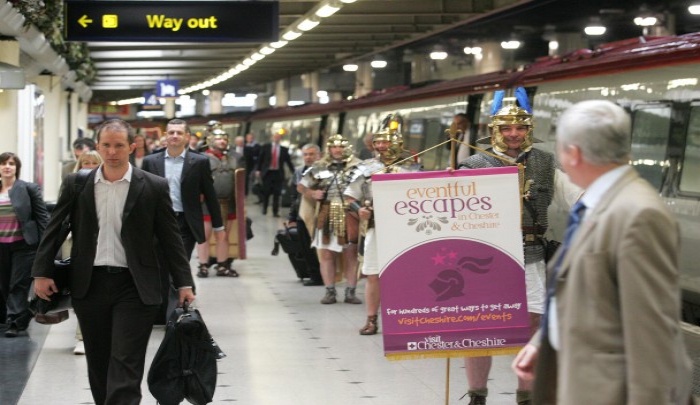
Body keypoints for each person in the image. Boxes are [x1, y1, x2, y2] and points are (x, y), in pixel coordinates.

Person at [512, 100, 692, 405]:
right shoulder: (599, 203)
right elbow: (583, 290)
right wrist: (543, 341)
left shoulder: (638, 215)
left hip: (611, 390)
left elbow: (653, 332)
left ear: (574, 153)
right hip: (582, 379)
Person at [32, 119, 196, 405]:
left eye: (119, 145)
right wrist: (41, 272)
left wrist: (184, 283)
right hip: (89, 283)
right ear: (97, 147)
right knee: (98, 362)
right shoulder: (77, 183)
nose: (112, 152)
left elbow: (171, 239)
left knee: (126, 363)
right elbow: (55, 228)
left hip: (135, 286)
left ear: (131, 147)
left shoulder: (153, 187)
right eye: (106, 145)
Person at [457, 92, 579, 405]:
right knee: (479, 325)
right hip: (485, 258)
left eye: (520, 128)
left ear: (529, 129)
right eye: (507, 127)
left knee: (533, 325)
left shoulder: (544, 162)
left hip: (531, 254)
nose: (514, 133)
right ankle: (477, 395)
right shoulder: (472, 165)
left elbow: (578, 198)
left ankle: (527, 395)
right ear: (494, 128)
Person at [345, 115, 421, 335]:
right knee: (373, 274)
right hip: (376, 227)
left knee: (406, 273)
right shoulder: (365, 168)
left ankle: (408, 318)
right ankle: (372, 319)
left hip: (407, 228)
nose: (381, 146)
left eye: (386, 142)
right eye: (378, 142)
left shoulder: (412, 166)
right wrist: (359, 209)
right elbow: (350, 197)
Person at [142, 119, 226, 316]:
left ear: (187, 137)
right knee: (160, 266)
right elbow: (142, 194)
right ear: (165, 136)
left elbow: (210, 195)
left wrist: (218, 226)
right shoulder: (150, 161)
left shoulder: (199, 162)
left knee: (177, 265)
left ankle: (174, 314)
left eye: (179, 133)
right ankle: (162, 310)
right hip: (157, 222)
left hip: (185, 222)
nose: (174, 136)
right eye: (171, 132)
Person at [299, 135, 363, 304]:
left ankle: (350, 291)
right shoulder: (319, 167)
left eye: (340, 147)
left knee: (351, 254)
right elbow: (302, 186)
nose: (337, 150)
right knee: (327, 254)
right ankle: (330, 291)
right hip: (326, 214)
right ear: (329, 149)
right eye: (334, 147)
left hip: (351, 214)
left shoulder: (358, 166)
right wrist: (312, 193)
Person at [0, 152, 49, 337]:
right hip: (1, 246)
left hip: (24, 245)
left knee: (17, 284)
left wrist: (47, 247)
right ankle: (21, 314)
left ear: (16, 168)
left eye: (11, 163)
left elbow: (42, 217)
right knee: (4, 284)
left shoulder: (28, 188)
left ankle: (14, 322)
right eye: (3, 163)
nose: (7, 167)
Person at [196, 129, 243, 278]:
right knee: (204, 236)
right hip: (207, 204)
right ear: (211, 141)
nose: (222, 141)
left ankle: (222, 265)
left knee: (224, 236)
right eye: (218, 139)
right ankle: (203, 265)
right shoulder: (201, 159)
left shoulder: (233, 159)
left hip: (228, 203)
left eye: (224, 138)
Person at [70, 150, 103, 354]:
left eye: (93, 162)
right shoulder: (73, 185)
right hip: (81, 246)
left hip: (105, 246)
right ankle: (82, 336)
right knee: (84, 292)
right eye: (85, 162)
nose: (89, 166)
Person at [288, 144, 323, 286]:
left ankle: (324, 274)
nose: (308, 157)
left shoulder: (324, 171)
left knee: (320, 246)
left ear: (319, 156)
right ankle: (314, 275)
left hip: (320, 213)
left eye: (312, 154)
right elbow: (295, 196)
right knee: (306, 246)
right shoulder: (298, 171)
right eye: (306, 154)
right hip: (302, 214)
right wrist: (291, 217)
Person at [255, 131, 295, 217]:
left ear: (280, 139)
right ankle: (264, 208)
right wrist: (258, 170)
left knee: (277, 193)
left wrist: (294, 172)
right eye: (275, 137)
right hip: (267, 173)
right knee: (266, 192)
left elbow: (288, 162)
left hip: (278, 173)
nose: (276, 139)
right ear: (272, 138)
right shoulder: (266, 147)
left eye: (278, 137)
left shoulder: (284, 149)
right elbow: (260, 160)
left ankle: (275, 211)